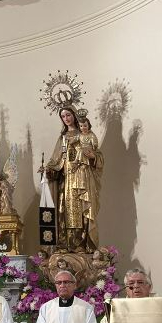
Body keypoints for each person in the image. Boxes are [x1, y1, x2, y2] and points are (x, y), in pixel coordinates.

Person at [44, 107, 103, 251]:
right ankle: (66, 243)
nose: (66, 118)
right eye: (63, 116)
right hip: (67, 180)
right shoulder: (62, 138)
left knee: (82, 210)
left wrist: (93, 157)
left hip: (83, 178)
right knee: (65, 211)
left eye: (68, 115)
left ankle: (81, 244)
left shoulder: (85, 133)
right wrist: (49, 169)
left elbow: (98, 155)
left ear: (74, 115)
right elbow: (56, 160)